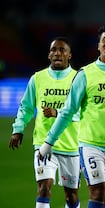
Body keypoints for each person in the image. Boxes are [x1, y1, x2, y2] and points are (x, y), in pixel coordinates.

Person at [38, 24, 105, 208]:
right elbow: (68, 111)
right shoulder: (85, 74)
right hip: (91, 144)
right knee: (97, 192)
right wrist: (49, 142)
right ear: (98, 46)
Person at [9, 37, 81, 208]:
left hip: (70, 145)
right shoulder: (37, 78)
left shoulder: (79, 79)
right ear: (49, 55)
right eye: (53, 50)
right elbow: (26, 107)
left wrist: (58, 113)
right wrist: (18, 129)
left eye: (62, 50)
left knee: (71, 196)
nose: (57, 53)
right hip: (43, 143)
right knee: (43, 188)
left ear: (69, 55)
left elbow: (83, 112)